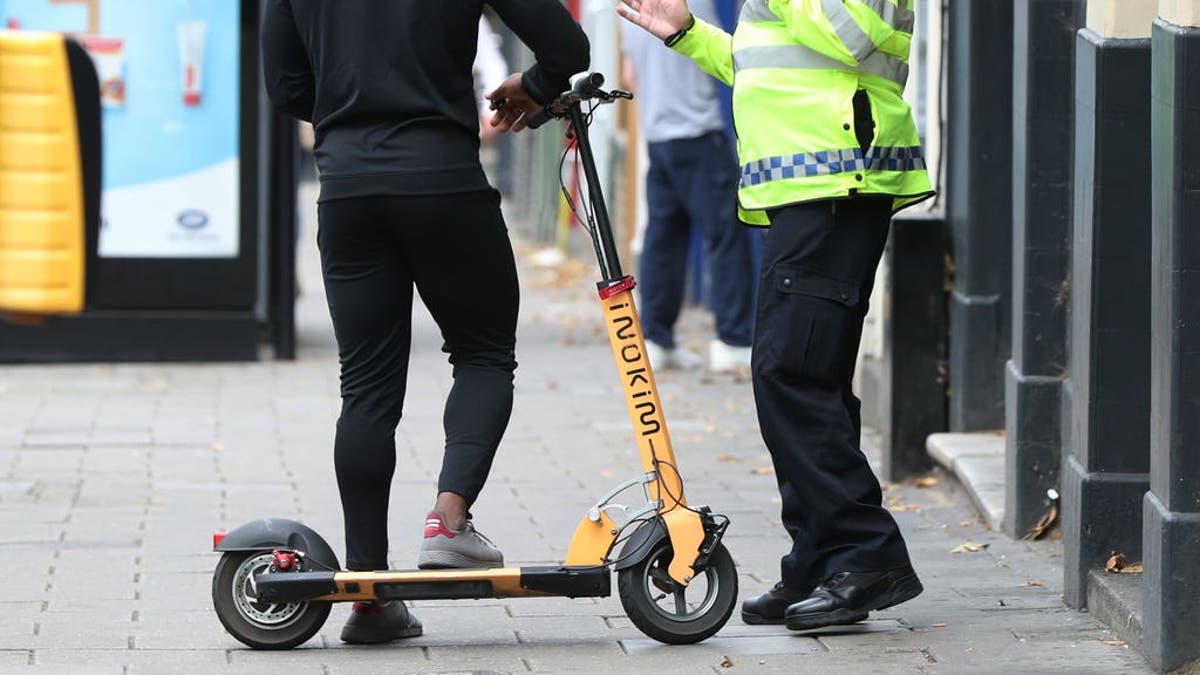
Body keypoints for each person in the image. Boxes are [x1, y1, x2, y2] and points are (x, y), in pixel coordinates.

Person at [261, 0, 588, 644]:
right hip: (443, 180)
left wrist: (354, 113)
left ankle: (369, 597)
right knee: (484, 354)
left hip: (350, 189)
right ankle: (449, 520)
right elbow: (567, 49)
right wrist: (533, 86)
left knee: (365, 389)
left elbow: (286, 87)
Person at [617, 0, 934, 631]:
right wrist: (689, 36)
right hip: (813, 189)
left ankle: (866, 557)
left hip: (837, 182)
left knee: (792, 376)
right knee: (803, 378)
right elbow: (769, 63)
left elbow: (849, 36)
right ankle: (821, 558)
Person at [619, 0, 755, 372]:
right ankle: (733, 340)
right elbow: (729, 55)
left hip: (658, 135)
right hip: (698, 133)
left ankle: (657, 339)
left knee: (663, 238)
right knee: (726, 236)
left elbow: (630, 76)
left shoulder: (631, 8)